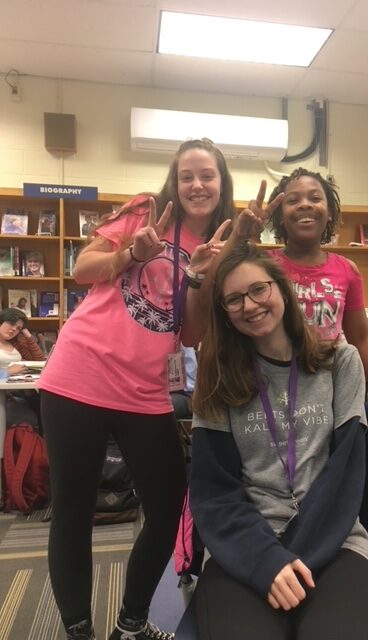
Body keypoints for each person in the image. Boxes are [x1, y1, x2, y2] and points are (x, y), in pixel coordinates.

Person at [37, 137, 236, 640]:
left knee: (169, 507)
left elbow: (189, 334)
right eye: (187, 175)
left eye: (207, 175)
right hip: (77, 376)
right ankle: (78, 630)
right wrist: (131, 252)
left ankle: (130, 623)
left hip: (145, 391)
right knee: (73, 510)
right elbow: (81, 270)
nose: (196, 184)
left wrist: (198, 278)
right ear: (175, 179)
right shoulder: (146, 211)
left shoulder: (220, 245)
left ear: (221, 183)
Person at [189, 243, 368, 640]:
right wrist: (266, 560)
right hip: (244, 545)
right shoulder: (218, 378)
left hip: (334, 540)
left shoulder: (339, 362)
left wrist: (292, 558)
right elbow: (214, 492)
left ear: (281, 289)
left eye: (258, 290)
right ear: (224, 313)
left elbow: (345, 478)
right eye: (234, 299)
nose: (250, 304)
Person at [261, 168, 368, 444]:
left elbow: (362, 338)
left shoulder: (346, 270)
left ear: (329, 212)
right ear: (279, 214)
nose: (305, 204)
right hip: (277, 387)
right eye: (293, 200)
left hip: (332, 390)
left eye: (315, 198)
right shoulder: (263, 266)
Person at [0, 308, 44, 426]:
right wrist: (7, 372)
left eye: (18, 328)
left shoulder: (14, 344)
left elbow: (38, 359)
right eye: (11, 323)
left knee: (47, 406)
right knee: (35, 416)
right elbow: (8, 372)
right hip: (4, 396)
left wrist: (28, 336)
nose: (14, 329)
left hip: (19, 391)